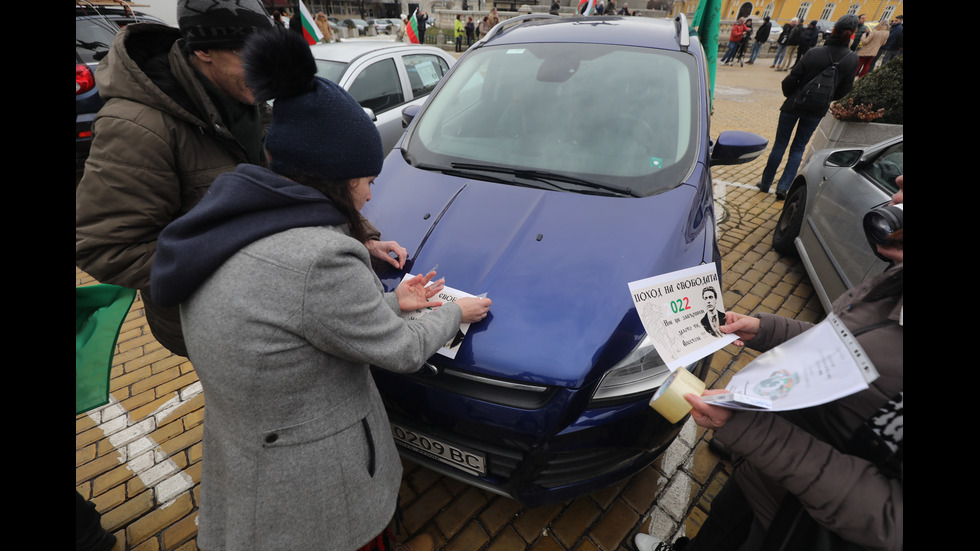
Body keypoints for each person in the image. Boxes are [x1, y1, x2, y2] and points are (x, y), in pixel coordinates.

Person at [151, 29, 493, 551]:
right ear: (333, 179)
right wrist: (455, 313)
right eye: (365, 179)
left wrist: (391, 302)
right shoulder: (320, 256)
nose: (371, 192)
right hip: (311, 483)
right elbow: (399, 351)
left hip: (247, 447)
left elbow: (294, 313)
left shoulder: (232, 216)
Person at [75, 0, 405, 358]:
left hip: (275, 309)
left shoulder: (250, 99)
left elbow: (311, 184)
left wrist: (362, 235)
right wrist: (248, 266)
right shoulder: (139, 126)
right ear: (202, 49)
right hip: (208, 324)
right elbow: (104, 247)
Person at [637, 175, 902, 551]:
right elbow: (844, 348)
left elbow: (890, 517)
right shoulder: (896, 275)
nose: (896, 195)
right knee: (720, 523)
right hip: (764, 469)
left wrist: (750, 431)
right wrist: (766, 330)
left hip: (799, 523)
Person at [756, 14, 859, 199]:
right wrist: (825, 98)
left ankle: (765, 183)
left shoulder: (814, 53)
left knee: (780, 145)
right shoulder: (852, 59)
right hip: (816, 110)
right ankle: (784, 187)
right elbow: (844, 91)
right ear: (853, 34)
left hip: (793, 104)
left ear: (833, 30)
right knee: (798, 148)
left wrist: (792, 96)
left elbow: (791, 79)